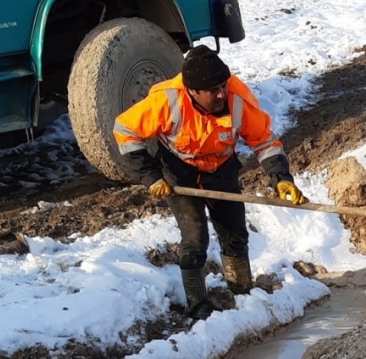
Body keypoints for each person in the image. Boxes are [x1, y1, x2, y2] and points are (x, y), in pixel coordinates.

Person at [113, 45, 307, 321]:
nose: (220, 94)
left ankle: (242, 295)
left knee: (234, 234)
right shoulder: (167, 100)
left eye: (222, 87)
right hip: (179, 172)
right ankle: (198, 309)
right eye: (212, 91)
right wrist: (151, 176)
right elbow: (125, 130)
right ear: (192, 91)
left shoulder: (238, 100)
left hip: (220, 169)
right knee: (195, 239)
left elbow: (265, 141)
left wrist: (281, 179)